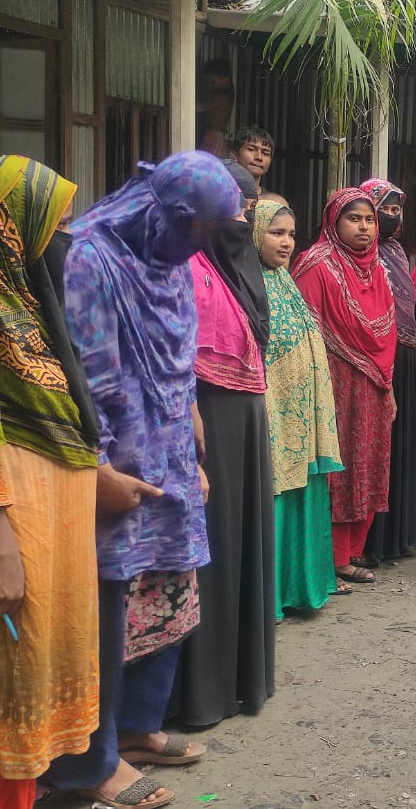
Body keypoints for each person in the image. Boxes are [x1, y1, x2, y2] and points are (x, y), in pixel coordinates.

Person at [41, 152, 241, 808]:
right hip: (116, 463)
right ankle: (92, 759)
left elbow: (178, 354)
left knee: (171, 586)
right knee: (107, 605)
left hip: (170, 449)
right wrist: (98, 469)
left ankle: (136, 726)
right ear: (168, 214)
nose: (201, 245)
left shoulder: (171, 258)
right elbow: (88, 376)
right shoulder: (92, 258)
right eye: (200, 229)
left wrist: (189, 421)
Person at [0, 158, 101, 808]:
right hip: (0, 544)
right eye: (52, 226)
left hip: (38, 539)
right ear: (8, 226)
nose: (61, 239)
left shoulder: (18, 300)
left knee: (13, 711)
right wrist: (3, 554)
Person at [173, 159, 277, 729]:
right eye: (233, 209)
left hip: (248, 414)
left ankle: (241, 679)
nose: (241, 221)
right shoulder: (182, 268)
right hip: (202, 416)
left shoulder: (241, 267)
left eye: (248, 210)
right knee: (210, 548)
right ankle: (202, 693)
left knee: (241, 540)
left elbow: (256, 338)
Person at [292, 188, 396, 589]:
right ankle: (330, 559)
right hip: (333, 384)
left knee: (367, 464)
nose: (364, 227)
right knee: (337, 467)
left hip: (375, 384)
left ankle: (351, 551)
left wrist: (389, 387)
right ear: (333, 222)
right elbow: (305, 333)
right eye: (354, 219)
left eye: (369, 219)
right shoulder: (315, 265)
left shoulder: (378, 269)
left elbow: (386, 335)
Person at [252, 199, 345, 612]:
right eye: (276, 233)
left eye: (291, 234)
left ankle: (300, 590)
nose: (287, 242)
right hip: (274, 413)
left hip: (302, 416)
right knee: (274, 495)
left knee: (301, 492)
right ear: (254, 233)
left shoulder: (284, 281)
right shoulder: (249, 282)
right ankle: (271, 597)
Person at [360, 178, 416, 559]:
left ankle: (397, 537)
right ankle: (370, 542)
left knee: (400, 441)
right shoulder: (360, 254)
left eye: (394, 210)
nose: (388, 217)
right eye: (381, 209)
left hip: (405, 352)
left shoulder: (398, 252)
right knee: (376, 444)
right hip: (375, 353)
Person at [230, 126, 282, 205]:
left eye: (265, 153)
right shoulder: (219, 195)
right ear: (234, 155)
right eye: (251, 149)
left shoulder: (276, 203)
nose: (259, 157)